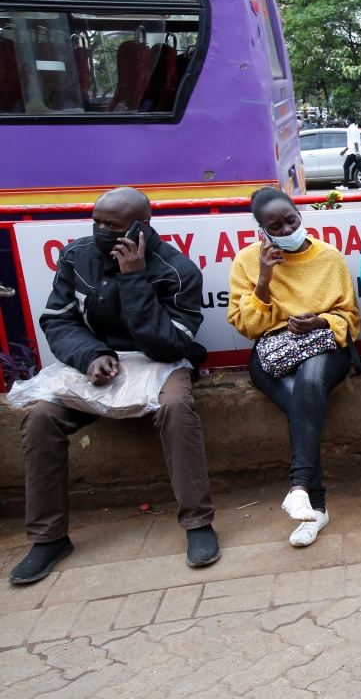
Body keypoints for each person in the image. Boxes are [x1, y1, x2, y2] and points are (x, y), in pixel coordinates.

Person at [9, 188, 219, 584]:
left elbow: (169, 344)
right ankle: (48, 538)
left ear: (141, 227)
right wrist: (90, 355)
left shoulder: (176, 270)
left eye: (113, 225)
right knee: (40, 416)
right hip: (96, 362)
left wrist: (134, 278)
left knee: (176, 407)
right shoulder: (77, 255)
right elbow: (58, 319)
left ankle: (197, 523)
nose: (102, 231)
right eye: (97, 222)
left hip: (159, 362)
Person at [228, 189, 360, 547]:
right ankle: (313, 504)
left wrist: (318, 322)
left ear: (299, 214)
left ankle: (304, 492)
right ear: (261, 230)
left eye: (291, 220)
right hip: (274, 351)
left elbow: (350, 319)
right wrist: (264, 278)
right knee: (302, 406)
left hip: (324, 344)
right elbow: (249, 327)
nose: (287, 229)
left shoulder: (328, 257)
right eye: (276, 226)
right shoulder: (246, 261)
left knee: (311, 382)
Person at [337, 119, 361, 190]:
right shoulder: (354, 128)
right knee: (360, 167)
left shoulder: (351, 128)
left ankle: (345, 185)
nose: (346, 121)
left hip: (353, 152)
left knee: (346, 166)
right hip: (354, 151)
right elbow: (351, 142)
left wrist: (357, 152)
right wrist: (345, 150)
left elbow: (355, 141)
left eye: (347, 120)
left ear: (349, 121)